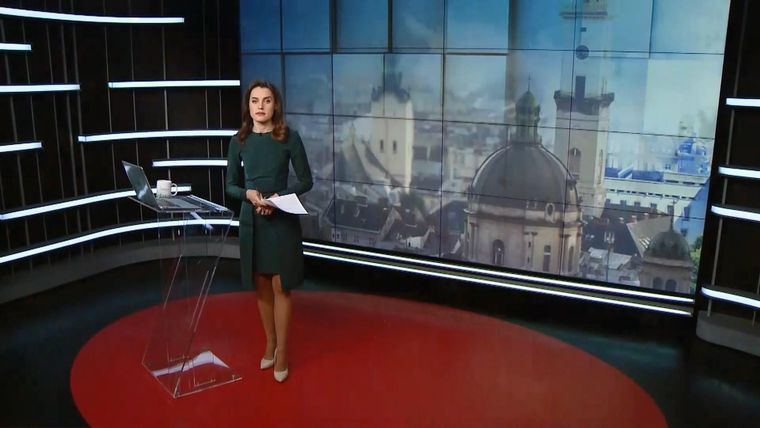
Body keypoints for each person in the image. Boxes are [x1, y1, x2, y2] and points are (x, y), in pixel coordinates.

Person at [225, 80, 313, 383]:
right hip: (252, 219)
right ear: (248, 106)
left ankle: (283, 353)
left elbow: (306, 180)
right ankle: (271, 343)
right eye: (254, 101)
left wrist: (277, 199)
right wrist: (249, 195)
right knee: (261, 284)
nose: (260, 106)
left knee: (281, 286)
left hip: (281, 218)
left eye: (266, 100)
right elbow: (230, 185)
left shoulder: (289, 137)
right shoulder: (238, 141)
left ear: (276, 105)